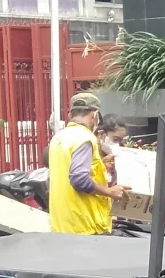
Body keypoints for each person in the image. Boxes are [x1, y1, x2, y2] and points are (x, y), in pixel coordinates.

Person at [47, 93, 128, 235]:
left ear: (70, 115)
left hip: (62, 225)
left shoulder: (58, 138)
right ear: (94, 115)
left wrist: (101, 164)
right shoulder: (85, 138)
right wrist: (110, 192)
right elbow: (79, 179)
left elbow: (66, 170)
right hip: (85, 225)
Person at [96, 114, 127, 186]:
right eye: (115, 139)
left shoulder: (120, 155)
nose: (118, 143)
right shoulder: (90, 150)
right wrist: (102, 162)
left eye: (121, 140)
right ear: (102, 134)